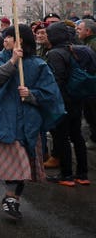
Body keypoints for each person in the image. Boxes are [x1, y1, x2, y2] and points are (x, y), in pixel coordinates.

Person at [0, 24, 64, 219]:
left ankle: (13, 200)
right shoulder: (0, 59)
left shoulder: (39, 64)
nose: (5, 40)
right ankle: (10, 198)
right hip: (6, 120)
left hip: (29, 122)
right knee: (18, 164)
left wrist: (31, 94)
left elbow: (50, 94)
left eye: (8, 37)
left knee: (26, 166)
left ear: (20, 40)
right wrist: (13, 61)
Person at [45, 22, 90, 186]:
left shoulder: (55, 53)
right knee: (77, 135)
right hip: (78, 98)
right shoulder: (79, 49)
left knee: (62, 137)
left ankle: (66, 175)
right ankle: (83, 174)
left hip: (62, 100)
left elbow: (58, 79)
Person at [76, 19, 96, 149]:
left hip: (92, 87)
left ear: (87, 31)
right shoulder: (88, 44)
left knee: (92, 114)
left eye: (79, 29)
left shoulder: (92, 45)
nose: (77, 31)